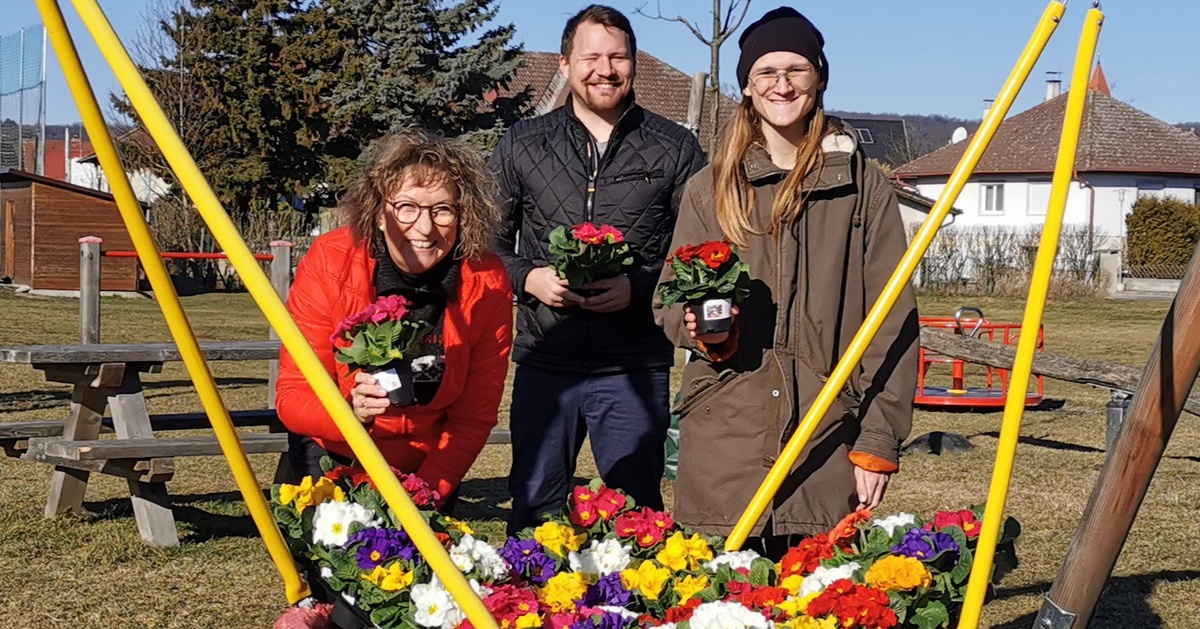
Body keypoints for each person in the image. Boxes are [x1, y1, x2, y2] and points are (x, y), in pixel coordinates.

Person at [653, 7, 919, 558]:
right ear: (747, 86)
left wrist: (876, 439)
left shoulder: (862, 187)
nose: (782, 84)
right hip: (725, 436)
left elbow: (893, 323)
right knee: (721, 606)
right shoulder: (712, 188)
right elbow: (667, 301)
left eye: (796, 69)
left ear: (818, 77)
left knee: (816, 603)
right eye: (766, 72)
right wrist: (702, 328)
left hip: (826, 431)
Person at [489, 4, 706, 534]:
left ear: (633, 63)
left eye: (617, 57)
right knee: (536, 508)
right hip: (546, 359)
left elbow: (700, 255)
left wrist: (638, 288)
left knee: (636, 517)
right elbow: (484, 243)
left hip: (633, 364)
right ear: (565, 63)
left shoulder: (676, 148)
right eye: (590, 57)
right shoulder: (522, 143)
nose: (604, 69)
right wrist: (527, 277)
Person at [275, 130, 514, 509]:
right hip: (335, 453)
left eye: (443, 209)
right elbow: (293, 395)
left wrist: (425, 494)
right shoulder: (331, 260)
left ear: (463, 216)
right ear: (380, 213)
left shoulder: (486, 279)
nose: (424, 227)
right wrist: (349, 411)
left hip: (425, 465)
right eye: (406, 207)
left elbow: (473, 417)